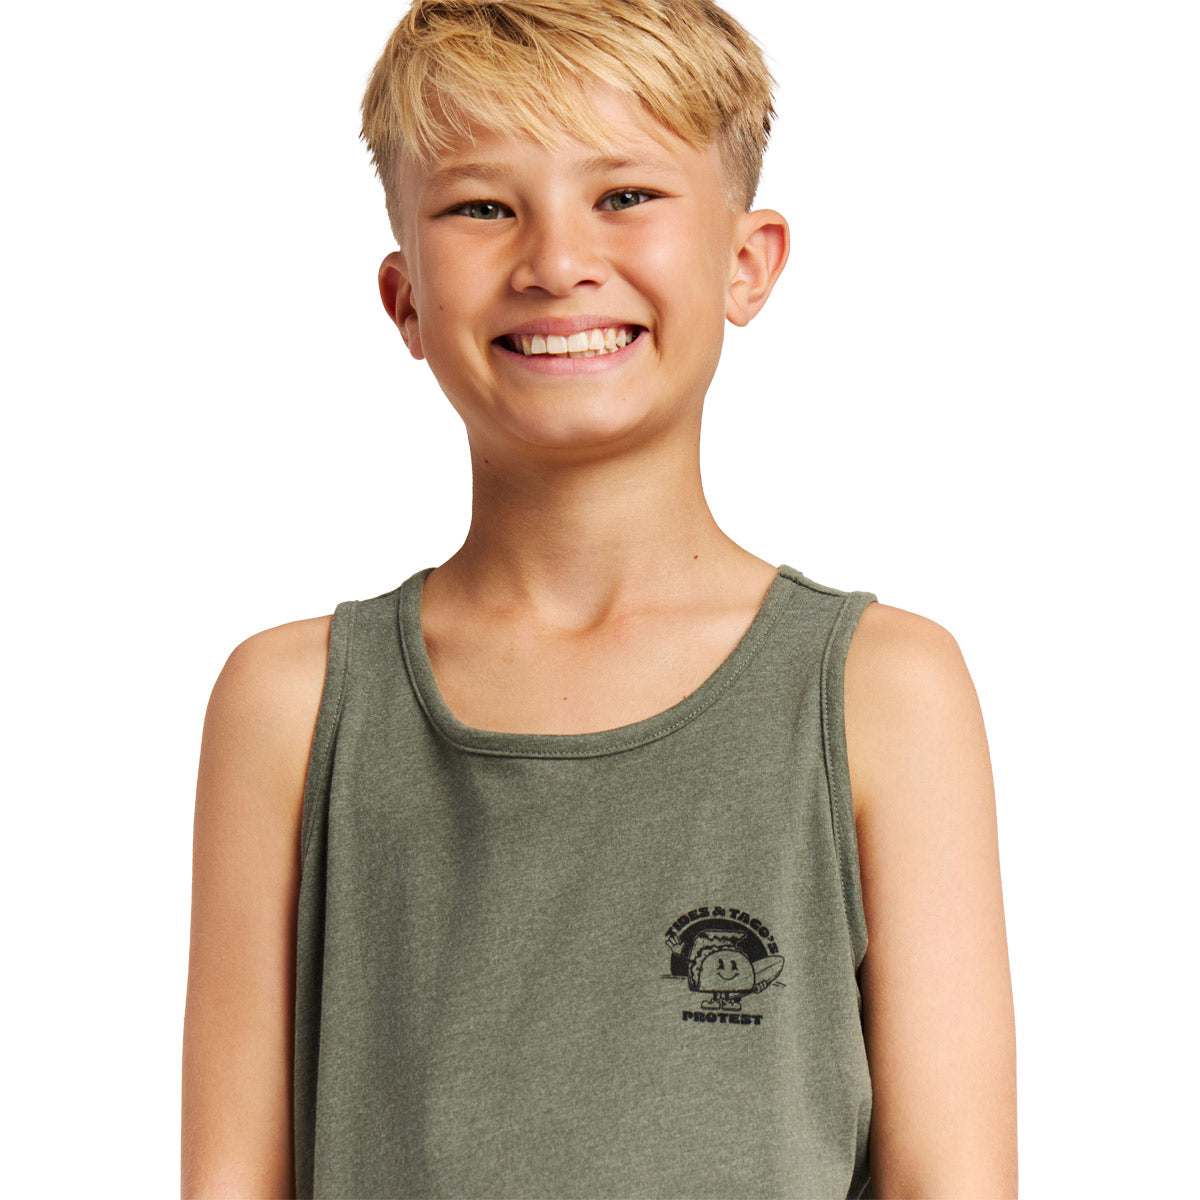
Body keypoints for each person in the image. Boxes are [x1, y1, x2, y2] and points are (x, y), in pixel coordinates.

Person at [181, 1, 1017, 1196]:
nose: (555, 262)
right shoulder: (293, 704)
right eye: (483, 207)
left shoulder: (883, 691)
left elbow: (954, 1177)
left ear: (746, 262)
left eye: (624, 195)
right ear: (405, 298)